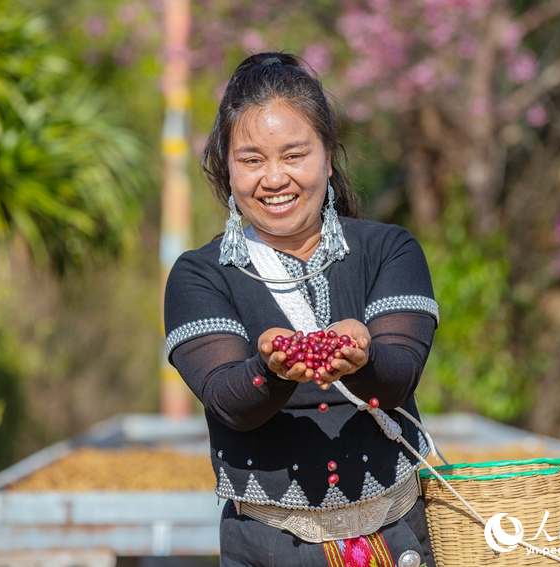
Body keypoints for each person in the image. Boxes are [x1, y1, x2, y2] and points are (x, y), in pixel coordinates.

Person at [164, 52, 439, 567]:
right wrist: (267, 371)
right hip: (268, 548)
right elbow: (228, 400)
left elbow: (398, 375)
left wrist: (365, 359)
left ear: (328, 157)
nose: (273, 179)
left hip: (397, 537)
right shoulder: (198, 274)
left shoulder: (389, 251)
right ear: (227, 166)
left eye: (294, 155)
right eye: (251, 160)